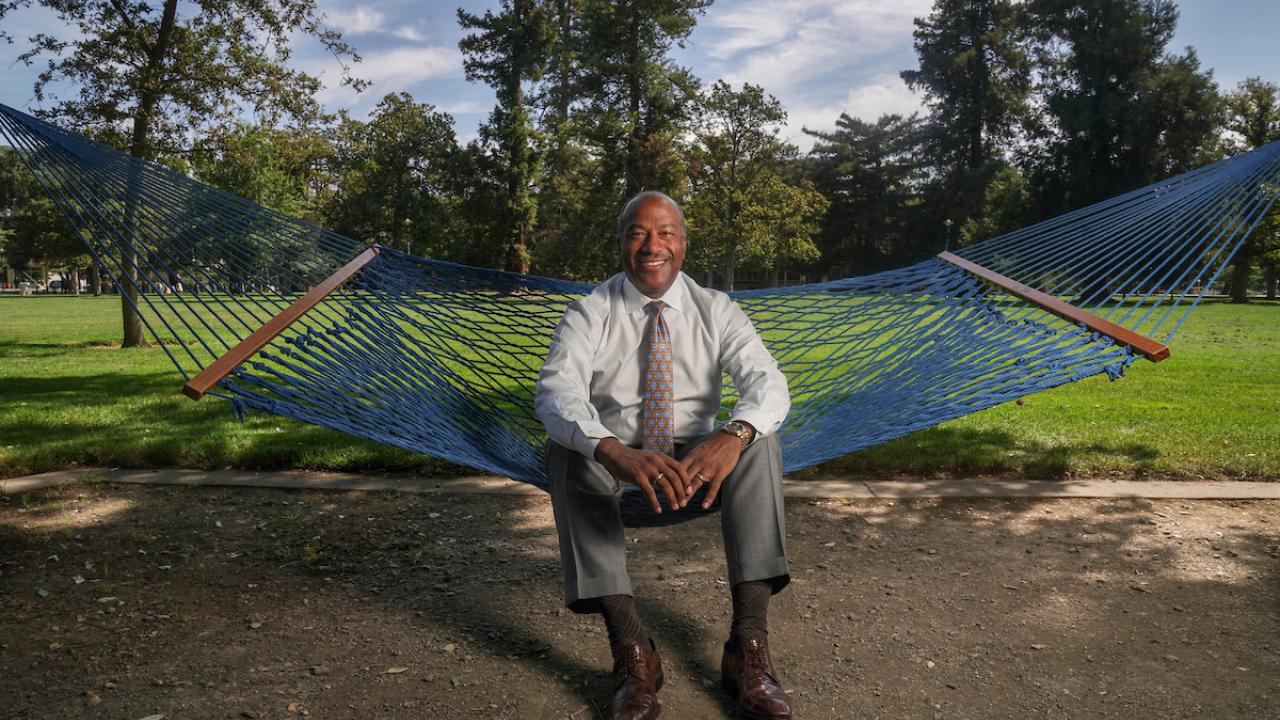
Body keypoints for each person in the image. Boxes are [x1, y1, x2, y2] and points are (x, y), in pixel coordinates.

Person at [535, 191, 794, 720]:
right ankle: (632, 650)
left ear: (683, 242)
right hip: (618, 452)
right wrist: (608, 449)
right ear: (622, 243)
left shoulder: (717, 309)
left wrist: (734, 435)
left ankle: (747, 646)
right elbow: (557, 393)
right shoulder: (590, 312)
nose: (652, 246)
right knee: (568, 449)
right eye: (637, 233)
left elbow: (768, 382)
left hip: (698, 451)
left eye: (665, 233)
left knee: (762, 443)